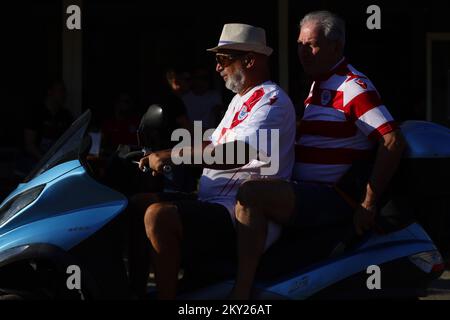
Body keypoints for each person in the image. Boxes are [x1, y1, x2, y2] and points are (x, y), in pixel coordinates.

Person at [230, 11, 406, 299]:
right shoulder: (319, 84)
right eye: (299, 44)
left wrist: (368, 204)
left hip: (332, 196)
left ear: (336, 47)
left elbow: (392, 139)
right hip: (307, 191)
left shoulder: (352, 86)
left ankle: (241, 293)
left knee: (251, 195)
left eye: (311, 45)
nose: (302, 52)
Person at [128, 23, 296, 299]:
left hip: (237, 213)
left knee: (158, 216)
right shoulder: (240, 100)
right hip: (213, 202)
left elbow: (237, 154)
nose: (218, 68)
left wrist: (174, 156)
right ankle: (134, 292)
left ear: (250, 60)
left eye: (223, 60)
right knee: (137, 203)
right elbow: (212, 145)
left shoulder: (271, 101)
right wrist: (160, 153)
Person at [16, 81, 73, 177]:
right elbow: (29, 145)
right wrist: (46, 162)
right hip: (34, 162)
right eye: (60, 90)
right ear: (50, 92)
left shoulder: (65, 115)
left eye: (64, 91)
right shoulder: (36, 113)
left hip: (55, 163)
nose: (63, 94)